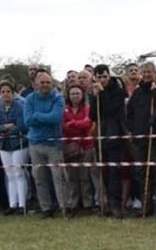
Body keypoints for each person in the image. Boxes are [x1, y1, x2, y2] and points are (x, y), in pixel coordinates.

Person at [127, 61, 156, 218]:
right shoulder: (138, 92)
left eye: (150, 72)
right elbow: (130, 114)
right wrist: (134, 131)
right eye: (144, 72)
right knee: (143, 174)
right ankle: (146, 206)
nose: (147, 75)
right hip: (141, 139)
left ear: (155, 73)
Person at [23, 70, 66, 217]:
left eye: (48, 82)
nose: (45, 85)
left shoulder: (58, 98)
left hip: (54, 144)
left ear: (52, 83)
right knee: (39, 178)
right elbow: (27, 121)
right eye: (42, 82)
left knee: (59, 177)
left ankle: (65, 207)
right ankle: (46, 208)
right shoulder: (29, 99)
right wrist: (43, 117)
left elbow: (55, 118)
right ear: (36, 83)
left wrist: (36, 115)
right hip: (35, 143)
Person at [91, 64, 128, 218]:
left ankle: (116, 204)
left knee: (114, 172)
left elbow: (111, 109)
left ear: (109, 76)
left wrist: (102, 93)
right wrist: (94, 97)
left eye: (104, 77)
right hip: (101, 135)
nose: (102, 80)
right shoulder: (94, 93)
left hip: (114, 134)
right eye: (99, 77)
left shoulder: (118, 91)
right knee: (104, 172)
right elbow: (93, 115)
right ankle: (104, 203)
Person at [62, 84, 94, 216]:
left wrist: (72, 123)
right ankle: (73, 204)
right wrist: (77, 124)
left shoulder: (87, 109)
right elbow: (63, 127)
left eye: (78, 93)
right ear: (68, 96)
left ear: (82, 95)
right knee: (72, 177)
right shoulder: (64, 110)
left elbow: (87, 123)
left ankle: (87, 204)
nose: (75, 96)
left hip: (86, 146)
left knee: (85, 176)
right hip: (70, 147)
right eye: (72, 93)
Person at [0, 80, 28, 214]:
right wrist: (6, 127)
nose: (6, 94)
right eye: (3, 92)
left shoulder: (20, 106)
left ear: (13, 93)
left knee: (18, 173)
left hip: (18, 144)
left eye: (8, 92)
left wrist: (7, 129)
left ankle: (22, 204)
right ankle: (13, 204)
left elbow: (21, 125)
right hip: (3, 145)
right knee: (9, 175)